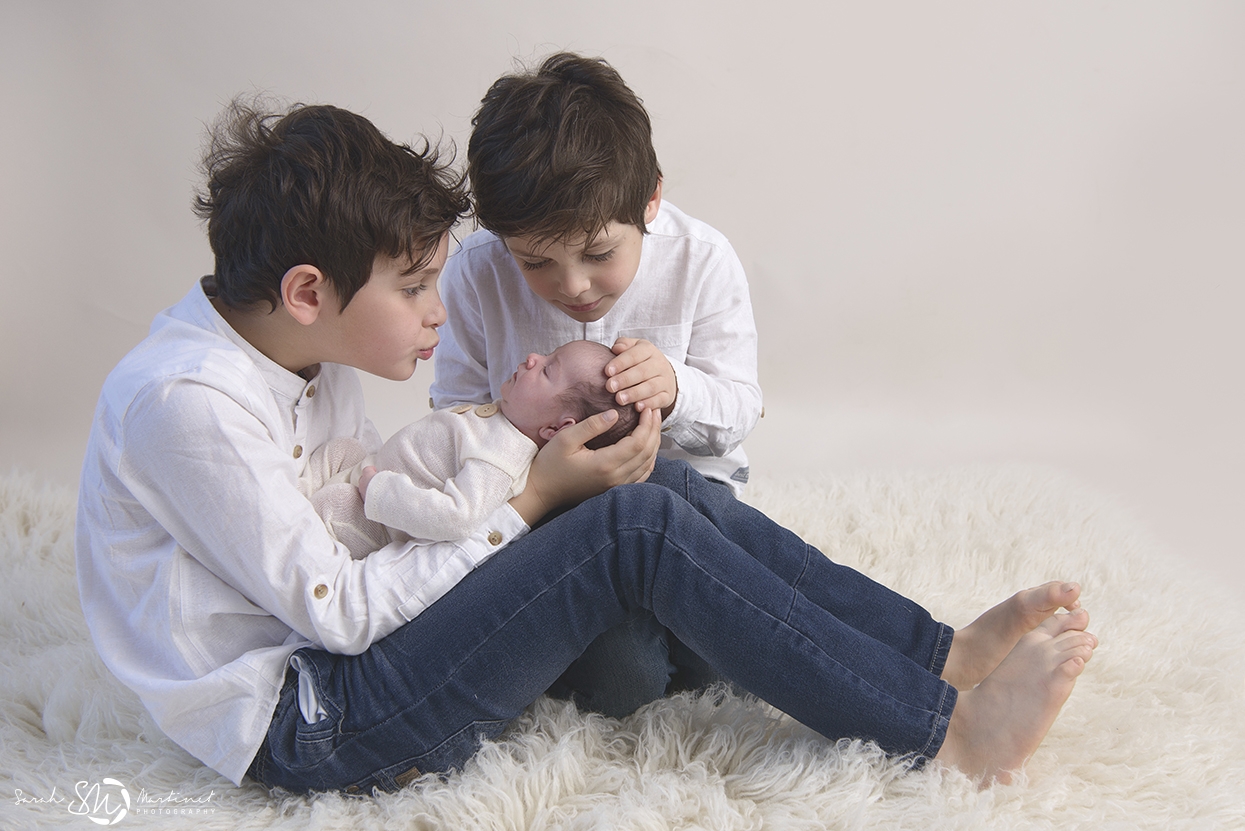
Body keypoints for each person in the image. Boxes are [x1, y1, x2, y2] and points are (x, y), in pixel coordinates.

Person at [75, 97, 1096, 797]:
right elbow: (338, 612)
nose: (437, 311)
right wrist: (527, 503)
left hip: (356, 658)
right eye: (415, 286)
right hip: (316, 720)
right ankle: (946, 737)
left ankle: (938, 655)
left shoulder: (305, 350)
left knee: (651, 496)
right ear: (309, 292)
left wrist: (530, 462)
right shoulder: (185, 406)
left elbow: (372, 509)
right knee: (629, 531)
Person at [430, 52, 761, 495]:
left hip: (685, 481)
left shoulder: (700, 260)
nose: (572, 286)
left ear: (650, 199)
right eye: (535, 262)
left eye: (600, 253)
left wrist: (676, 390)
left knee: (677, 529)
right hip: (529, 484)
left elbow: (740, 412)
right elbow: (456, 417)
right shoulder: (475, 272)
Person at [305, 340, 639, 559]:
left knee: (333, 504)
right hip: (370, 469)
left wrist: (379, 492)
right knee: (343, 449)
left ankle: (292, 528)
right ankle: (292, 494)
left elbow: (457, 517)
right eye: (547, 354)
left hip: (375, 518)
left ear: (556, 429)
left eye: (548, 369)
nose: (533, 357)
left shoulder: (503, 457)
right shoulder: (502, 419)